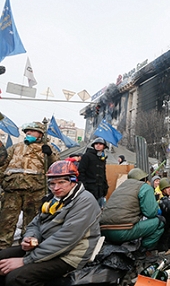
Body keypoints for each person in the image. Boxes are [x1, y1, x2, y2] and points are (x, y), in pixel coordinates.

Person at [0, 160, 101, 286]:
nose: (56, 188)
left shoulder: (85, 201)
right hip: (45, 247)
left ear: (73, 181)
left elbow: (66, 238)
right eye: (52, 184)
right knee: (2, 258)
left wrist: (26, 260)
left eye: (62, 182)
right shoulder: (55, 198)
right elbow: (35, 223)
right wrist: (31, 238)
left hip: (69, 255)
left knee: (17, 278)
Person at [0, 121, 59, 249]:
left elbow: (55, 167)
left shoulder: (47, 148)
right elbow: (2, 165)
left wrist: (49, 154)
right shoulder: (16, 147)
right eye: (27, 131)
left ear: (40, 134)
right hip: (12, 189)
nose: (28, 133)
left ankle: (25, 248)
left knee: (31, 222)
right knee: (6, 221)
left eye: (32, 131)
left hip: (35, 190)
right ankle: (2, 249)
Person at [99, 168, 165, 250]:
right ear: (144, 179)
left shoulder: (120, 188)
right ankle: (143, 251)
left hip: (103, 231)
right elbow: (151, 213)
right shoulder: (144, 187)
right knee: (160, 222)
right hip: (122, 231)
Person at [78, 137, 109, 207]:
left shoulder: (102, 158)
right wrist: (84, 186)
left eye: (100, 144)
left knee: (99, 211)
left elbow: (103, 174)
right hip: (89, 188)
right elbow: (81, 171)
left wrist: (105, 187)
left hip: (100, 191)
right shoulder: (87, 156)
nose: (98, 145)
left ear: (104, 146)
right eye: (96, 144)